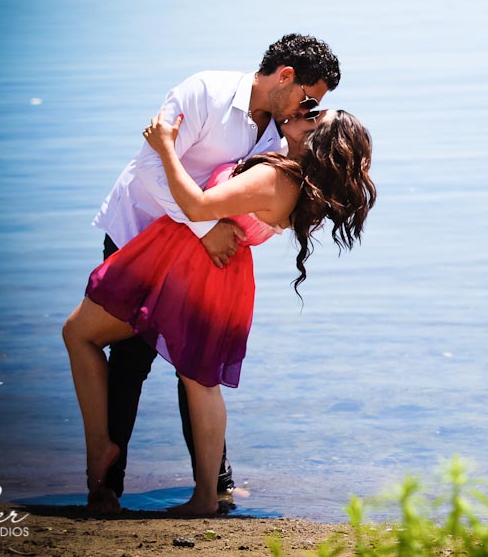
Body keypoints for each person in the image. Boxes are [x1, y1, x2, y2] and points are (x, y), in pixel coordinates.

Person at [63, 107, 376, 514]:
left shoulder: (275, 178)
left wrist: (166, 149)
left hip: (183, 261)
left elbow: (196, 207)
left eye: (313, 114)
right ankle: (206, 496)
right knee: (198, 381)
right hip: (220, 274)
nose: (302, 111)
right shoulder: (302, 189)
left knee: (80, 334)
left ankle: (103, 448)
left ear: (316, 137)